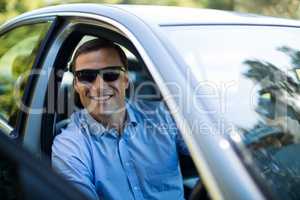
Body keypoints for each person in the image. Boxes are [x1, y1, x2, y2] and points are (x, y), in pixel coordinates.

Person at [52, 38, 189, 200]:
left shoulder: (164, 116)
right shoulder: (69, 146)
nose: (99, 87)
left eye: (111, 74)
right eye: (86, 76)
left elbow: (219, 155)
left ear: (125, 80)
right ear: (76, 84)